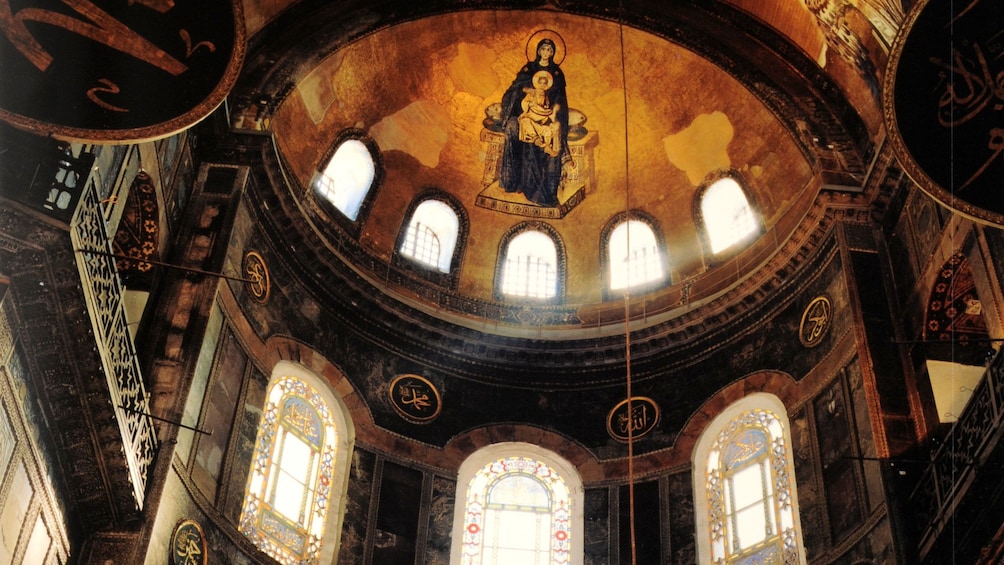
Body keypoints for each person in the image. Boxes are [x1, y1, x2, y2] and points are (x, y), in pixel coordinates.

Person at [498, 38, 572, 207]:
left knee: (555, 139)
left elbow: (560, 100)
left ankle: (550, 192)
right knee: (519, 129)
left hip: (546, 116)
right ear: (539, 51)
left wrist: (554, 114)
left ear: (553, 53)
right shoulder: (528, 69)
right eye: (544, 49)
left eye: (550, 50)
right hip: (527, 114)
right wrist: (527, 94)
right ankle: (518, 182)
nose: (546, 53)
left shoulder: (557, 74)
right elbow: (514, 92)